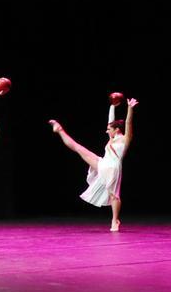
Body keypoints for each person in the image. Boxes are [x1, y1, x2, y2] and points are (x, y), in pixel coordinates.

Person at [50, 97, 137, 231]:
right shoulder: (112, 138)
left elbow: (128, 123)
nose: (107, 131)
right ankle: (60, 129)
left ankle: (115, 220)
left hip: (113, 169)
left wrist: (130, 109)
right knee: (78, 148)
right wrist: (112, 106)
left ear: (117, 129)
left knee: (114, 195)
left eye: (109, 129)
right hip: (102, 163)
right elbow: (110, 121)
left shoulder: (125, 139)